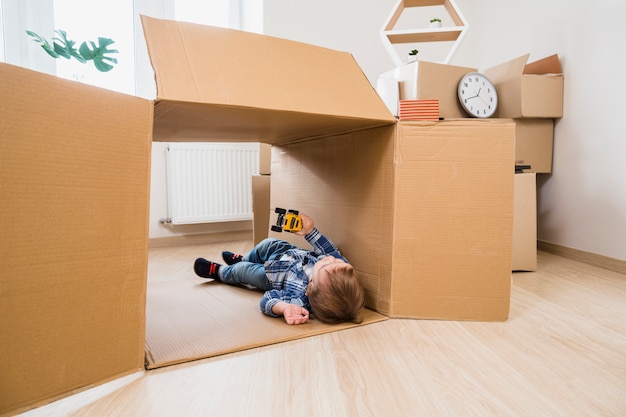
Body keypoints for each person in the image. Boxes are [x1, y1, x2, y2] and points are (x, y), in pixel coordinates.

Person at [193, 213, 365, 325]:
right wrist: (310, 231)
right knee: (267, 244)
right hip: (286, 253)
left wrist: (283, 308)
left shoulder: (299, 300)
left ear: (310, 288)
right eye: (339, 261)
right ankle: (245, 257)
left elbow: (267, 300)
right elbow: (329, 249)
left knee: (243, 271)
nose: (331, 258)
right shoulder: (340, 269)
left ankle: (221, 272)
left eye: (328, 263)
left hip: (270, 277)